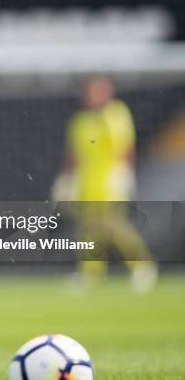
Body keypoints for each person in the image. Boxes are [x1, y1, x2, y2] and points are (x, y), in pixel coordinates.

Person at [53, 75, 157, 292]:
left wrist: (123, 174)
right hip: (87, 185)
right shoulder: (80, 121)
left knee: (114, 226)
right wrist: (66, 179)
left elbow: (125, 147)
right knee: (88, 230)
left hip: (110, 183)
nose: (94, 96)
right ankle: (91, 274)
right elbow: (73, 154)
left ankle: (142, 267)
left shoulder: (116, 114)